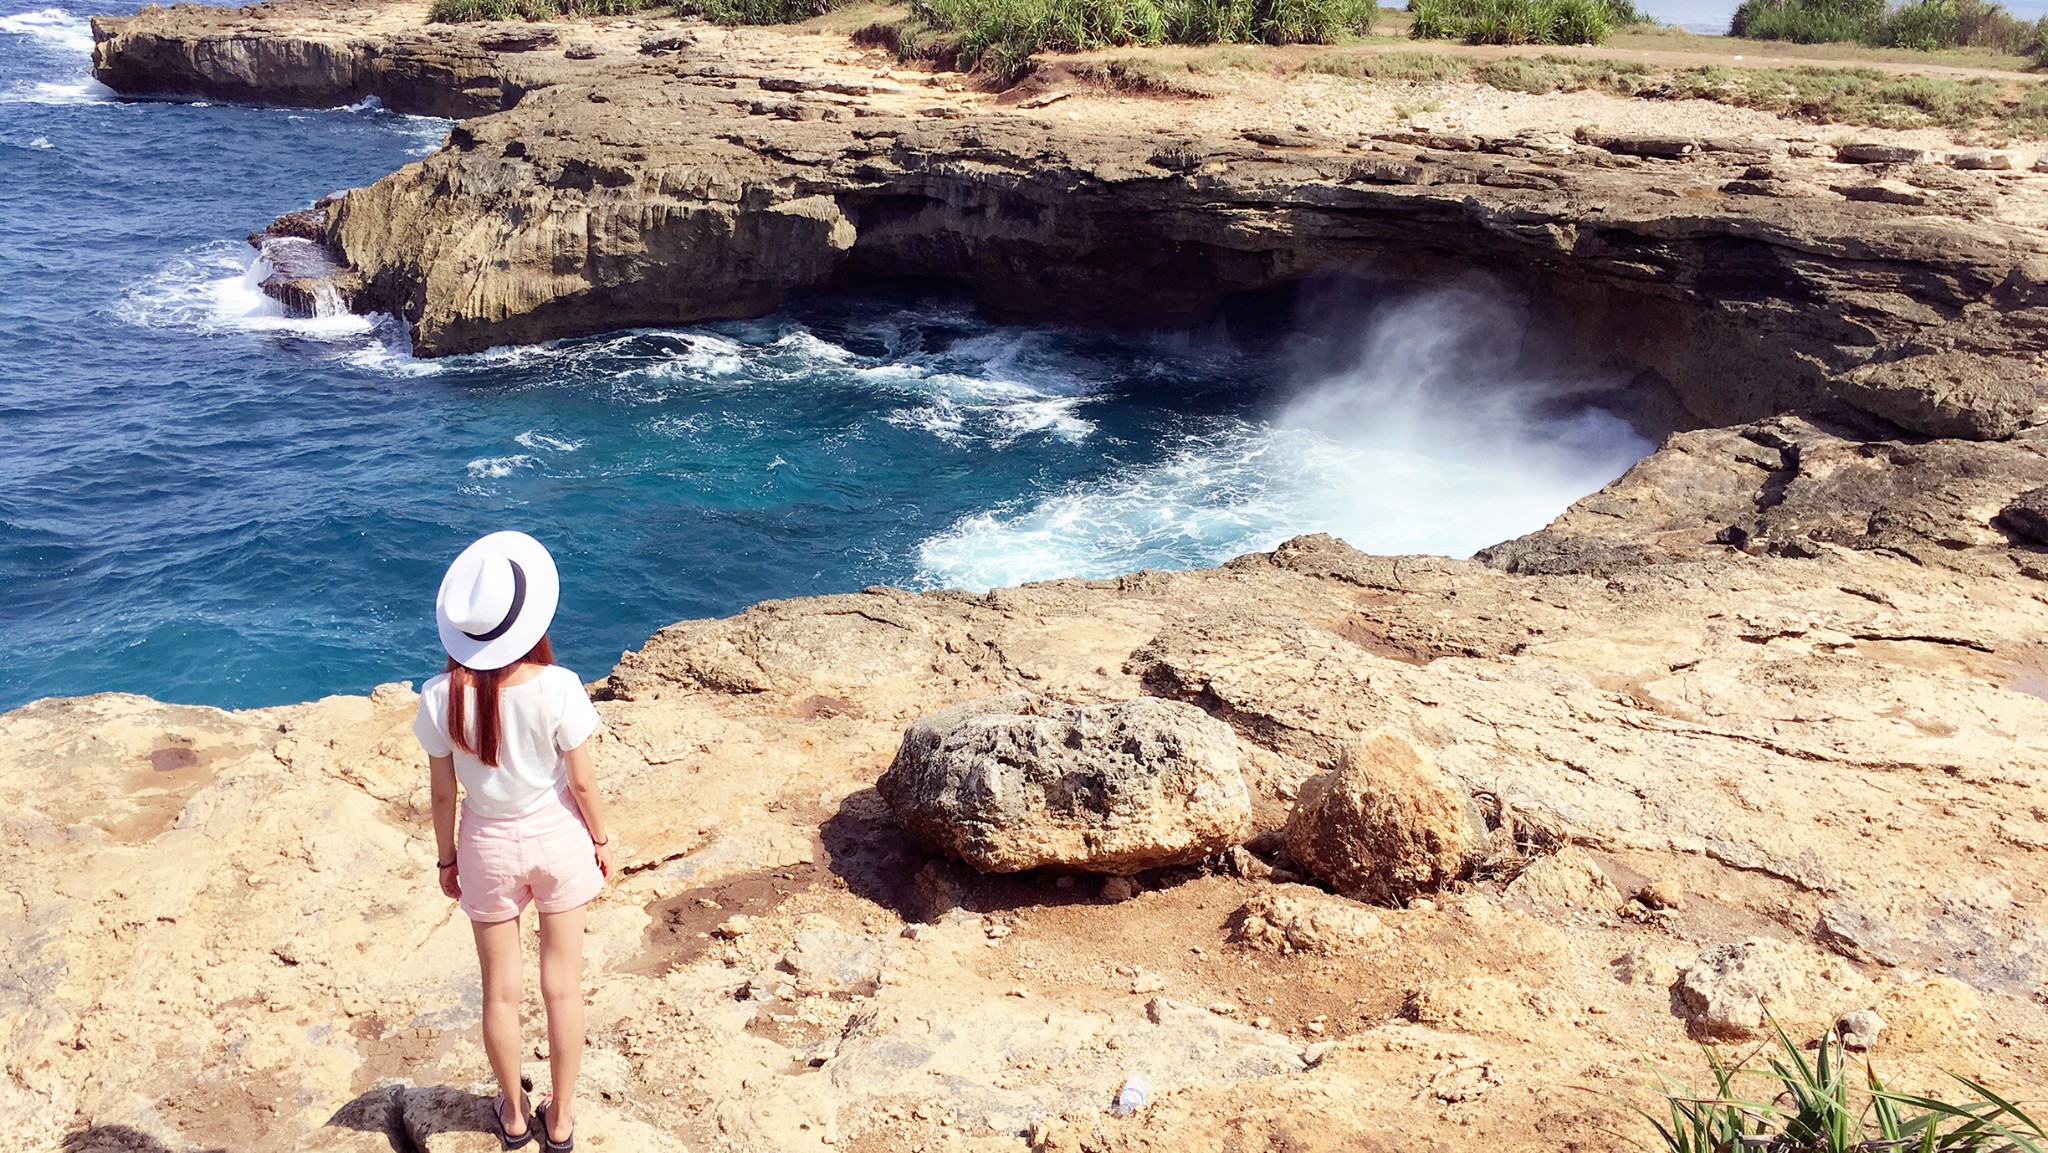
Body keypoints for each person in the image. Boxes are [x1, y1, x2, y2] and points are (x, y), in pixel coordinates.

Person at [413, 531, 614, 1152]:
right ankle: (562, 1119)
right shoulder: (559, 686)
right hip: (558, 841)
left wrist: (446, 857)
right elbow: (581, 781)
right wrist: (602, 841)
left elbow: (443, 794)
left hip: (486, 847)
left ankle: (515, 1117)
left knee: (500, 988)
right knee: (563, 987)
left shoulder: (440, 696)